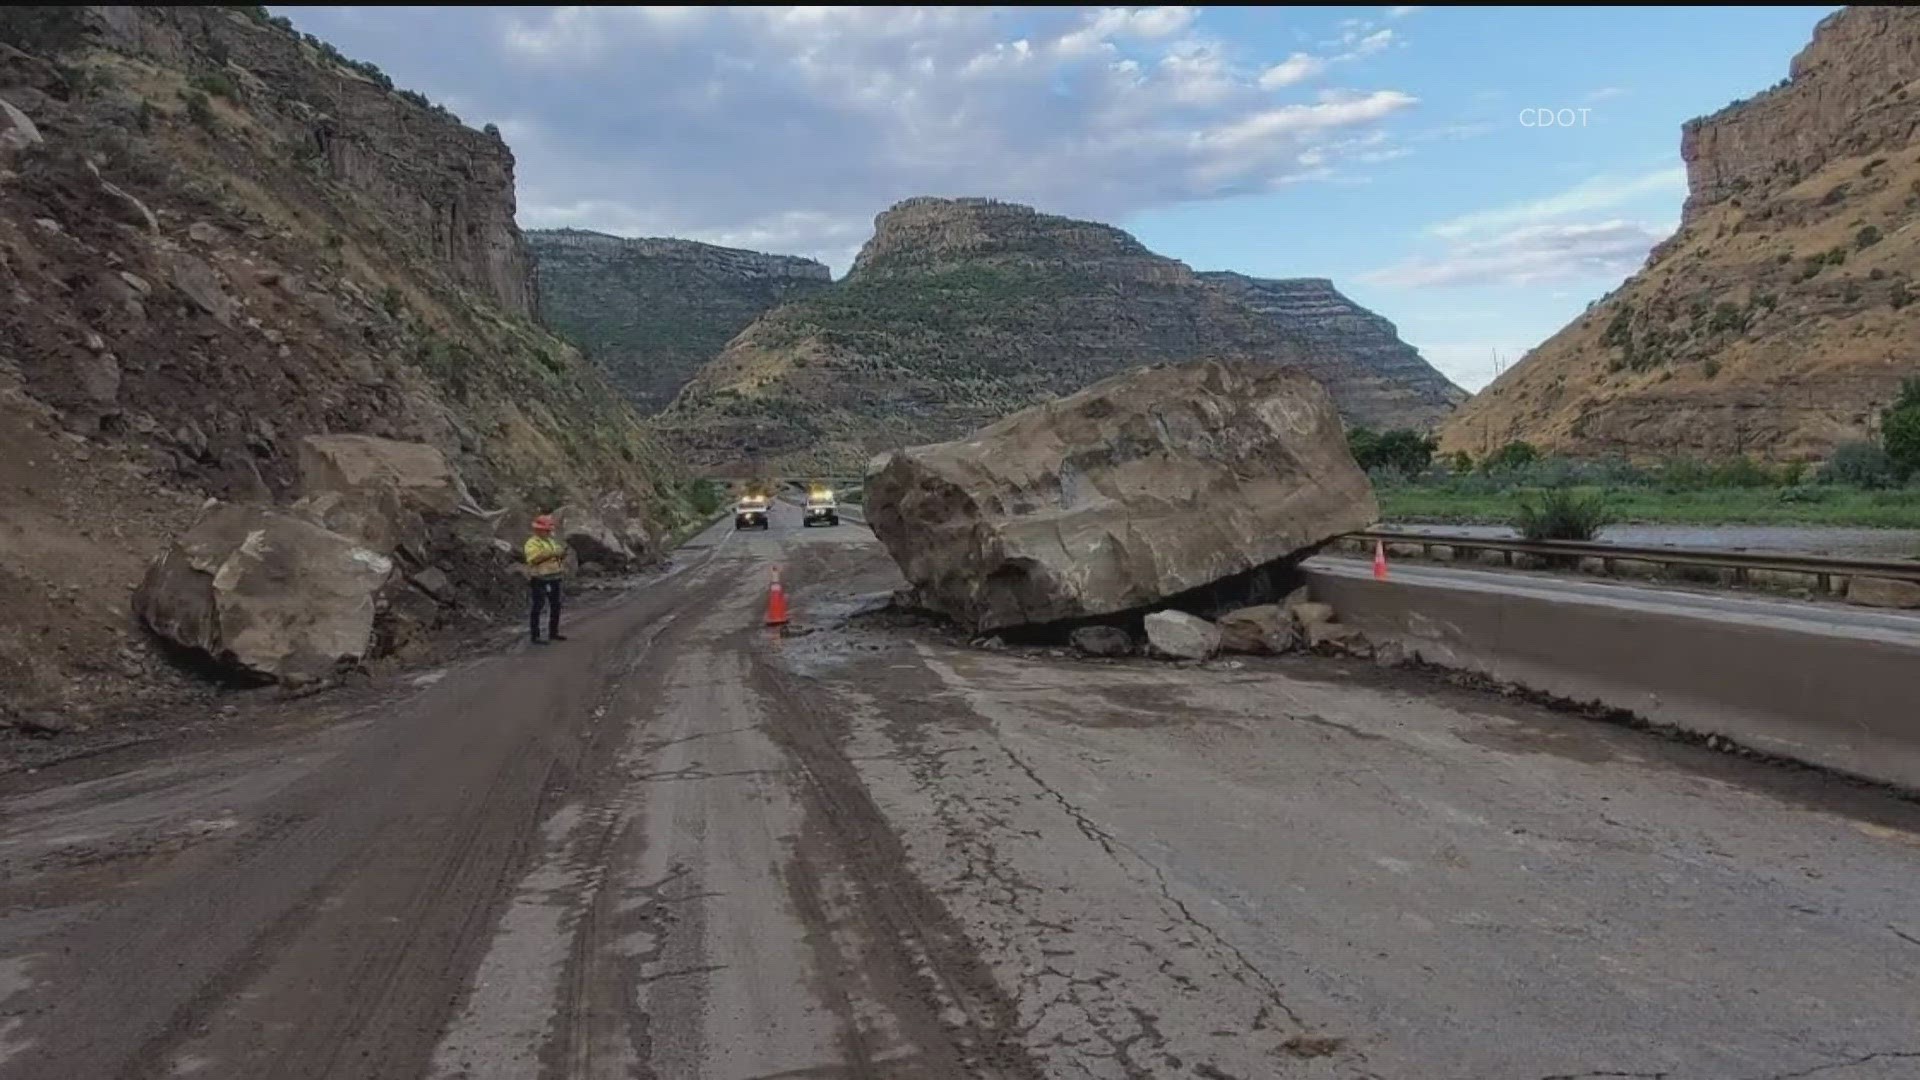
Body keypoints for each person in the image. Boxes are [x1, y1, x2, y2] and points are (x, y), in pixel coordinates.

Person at [524, 514, 568, 644]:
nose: (549, 532)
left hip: (554, 577)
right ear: (538, 529)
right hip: (539, 578)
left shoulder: (550, 541)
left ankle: (553, 633)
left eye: (549, 530)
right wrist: (552, 554)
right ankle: (535, 636)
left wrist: (561, 554)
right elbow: (533, 558)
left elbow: (558, 553)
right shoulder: (532, 543)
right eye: (546, 530)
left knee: (556, 606)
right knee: (538, 606)